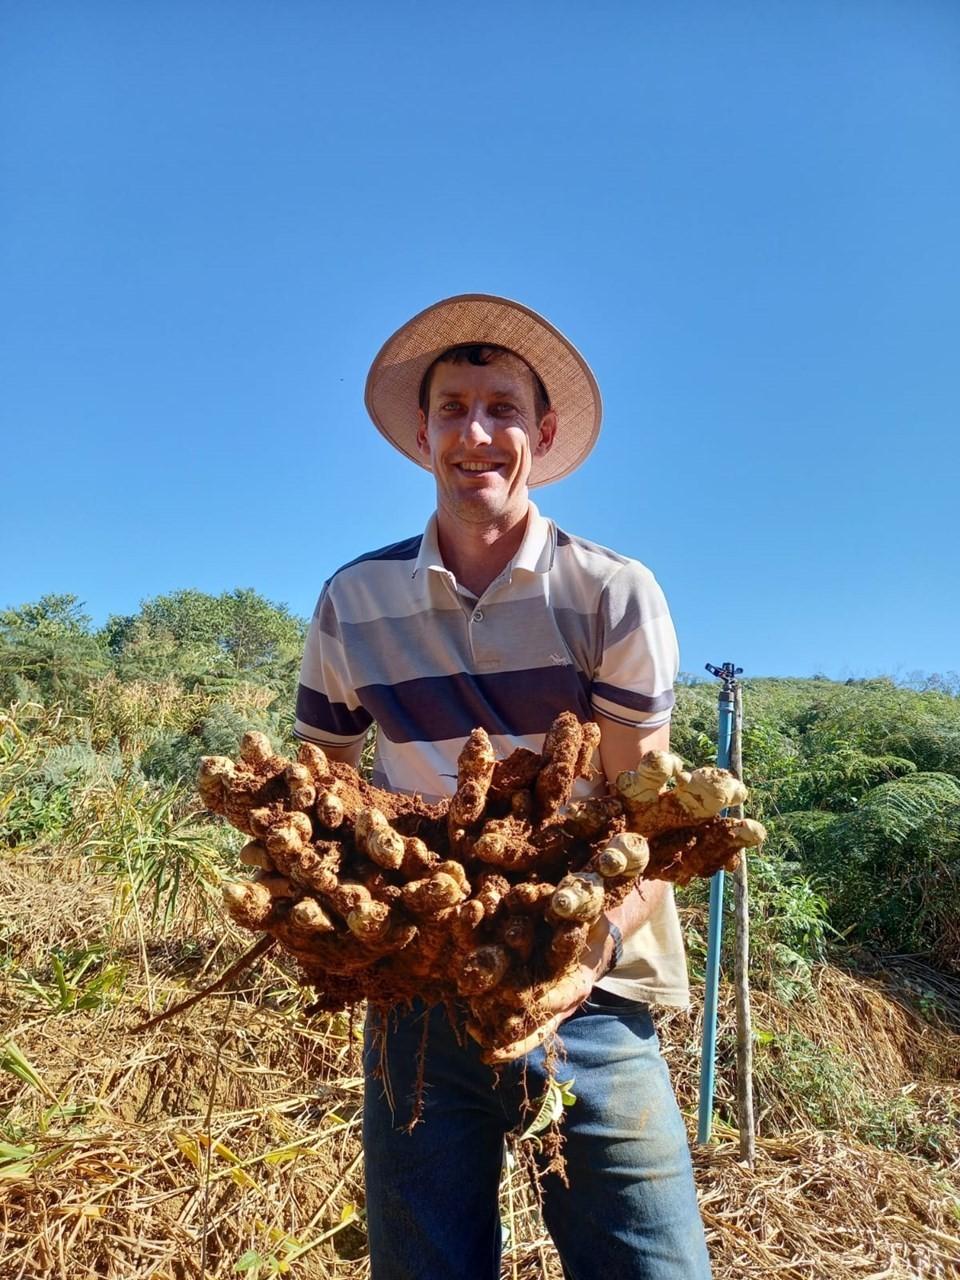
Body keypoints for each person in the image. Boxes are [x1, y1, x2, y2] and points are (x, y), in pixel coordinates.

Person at [294, 295, 712, 1279]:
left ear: (544, 431)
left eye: (502, 408)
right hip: (420, 1002)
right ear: (423, 433)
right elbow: (326, 795)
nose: (475, 433)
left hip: (592, 994)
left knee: (653, 1264)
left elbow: (647, 820)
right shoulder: (354, 603)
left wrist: (579, 951)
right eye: (452, 409)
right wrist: (354, 919)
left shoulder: (609, 593)